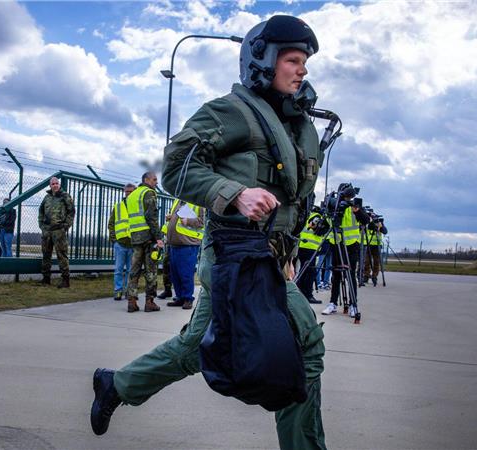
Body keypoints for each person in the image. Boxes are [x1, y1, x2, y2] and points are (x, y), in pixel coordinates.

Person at [90, 16, 327, 448]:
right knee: (305, 341)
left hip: (267, 256)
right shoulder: (231, 112)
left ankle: (117, 385)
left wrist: (287, 253)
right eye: (293, 59)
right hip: (233, 253)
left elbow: (293, 199)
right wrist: (233, 193)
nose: (302, 69)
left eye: (305, 62)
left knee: (195, 346)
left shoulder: (296, 126)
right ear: (263, 60)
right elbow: (176, 168)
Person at [322, 184, 371, 317]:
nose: (347, 198)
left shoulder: (354, 206)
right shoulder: (334, 205)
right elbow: (326, 221)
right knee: (336, 275)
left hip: (352, 245)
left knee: (350, 276)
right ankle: (333, 303)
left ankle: (353, 305)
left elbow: (366, 220)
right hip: (336, 243)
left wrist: (357, 210)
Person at [123, 171, 164, 312]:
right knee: (151, 270)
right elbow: (151, 217)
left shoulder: (132, 195)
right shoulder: (148, 193)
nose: (156, 182)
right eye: (154, 179)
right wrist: (158, 237)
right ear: (146, 180)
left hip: (135, 237)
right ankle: (149, 302)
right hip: (148, 237)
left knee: (134, 270)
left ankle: (132, 302)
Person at [163, 199, 204, 309]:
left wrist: (189, 221)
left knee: (185, 273)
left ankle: (187, 299)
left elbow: (202, 222)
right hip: (174, 244)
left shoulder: (198, 202)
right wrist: (171, 218)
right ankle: (180, 297)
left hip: (188, 244)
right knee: (175, 273)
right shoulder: (178, 201)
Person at [38, 177, 75, 288]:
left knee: (62, 255)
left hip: (59, 230)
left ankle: (65, 280)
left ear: (59, 184)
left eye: (57, 183)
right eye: (53, 184)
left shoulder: (65, 196)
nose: (55, 185)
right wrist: (42, 226)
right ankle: (46, 278)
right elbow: (41, 212)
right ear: (50, 185)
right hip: (47, 231)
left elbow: (71, 212)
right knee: (46, 254)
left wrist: (66, 226)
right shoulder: (47, 198)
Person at [108, 183, 135, 300]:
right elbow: (111, 224)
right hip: (120, 244)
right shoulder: (118, 206)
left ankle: (129, 291)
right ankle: (118, 291)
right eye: (126, 192)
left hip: (133, 244)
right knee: (118, 269)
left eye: (131, 192)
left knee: (131, 270)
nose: (128, 194)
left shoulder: (138, 207)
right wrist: (114, 240)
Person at [296, 208, 325, 304]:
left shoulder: (311, 214)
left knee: (304, 271)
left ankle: (299, 293)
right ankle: (308, 295)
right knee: (310, 272)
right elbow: (312, 225)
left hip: (304, 246)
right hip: (309, 247)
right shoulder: (317, 217)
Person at [363, 216, 387, 286]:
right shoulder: (368, 223)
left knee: (376, 262)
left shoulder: (379, 224)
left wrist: (381, 225)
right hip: (368, 244)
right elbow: (369, 227)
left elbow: (385, 231)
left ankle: (374, 276)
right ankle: (366, 275)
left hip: (377, 245)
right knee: (366, 261)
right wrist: (372, 223)